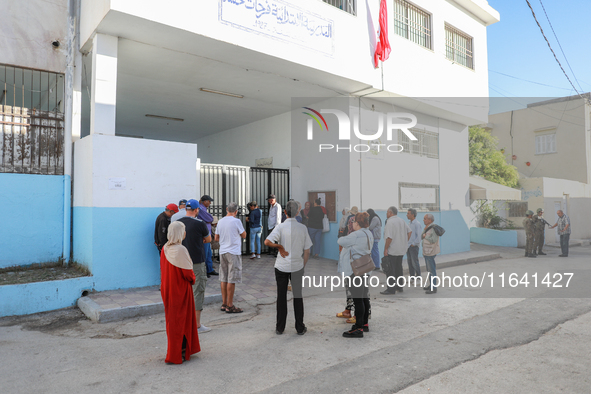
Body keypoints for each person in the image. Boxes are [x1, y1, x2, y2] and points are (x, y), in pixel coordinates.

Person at [264, 201, 312, 335]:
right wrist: (303, 265)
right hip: (297, 266)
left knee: (281, 296)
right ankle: (300, 327)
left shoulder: (280, 227)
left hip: (281, 266)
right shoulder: (302, 228)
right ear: (297, 212)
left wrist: (279, 246)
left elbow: (267, 242)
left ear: (285, 212)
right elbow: (307, 250)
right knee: (298, 296)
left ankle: (280, 327)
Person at [160, 221, 200, 364]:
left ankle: (175, 351)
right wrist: (194, 279)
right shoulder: (180, 250)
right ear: (178, 233)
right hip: (181, 290)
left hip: (168, 289)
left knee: (173, 321)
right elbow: (188, 274)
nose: (184, 233)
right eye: (183, 230)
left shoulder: (165, 248)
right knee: (182, 320)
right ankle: (179, 353)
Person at [177, 199, 212, 333]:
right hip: (196, 262)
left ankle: (184, 322)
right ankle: (197, 324)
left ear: (186, 209)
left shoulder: (178, 222)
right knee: (198, 291)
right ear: (197, 210)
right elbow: (208, 240)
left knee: (183, 292)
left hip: (181, 262)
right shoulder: (200, 223)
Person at [338, 212, 373, 338]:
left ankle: (358, 328)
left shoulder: (356, 235)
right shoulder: (368, 233)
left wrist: (348, 230)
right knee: (364, 297)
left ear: (357, 223)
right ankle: (364, 324)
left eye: (353, 222)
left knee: (358, 299)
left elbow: (340, 240)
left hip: (355, 271)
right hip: (365, 268)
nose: (352, 224)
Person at [216, 202, 247, 313]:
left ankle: (224, 303)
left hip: (222, 251)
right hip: (233, 252)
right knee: (231, 279)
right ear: (236, 211)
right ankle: (230, 305)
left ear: (226, 209)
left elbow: (216, 238)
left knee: (223, 278)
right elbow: (244, 235)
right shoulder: (236, 221)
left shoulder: (220, 221)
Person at [381, 207, 411, 295]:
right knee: (399, 268)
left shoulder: (390, 222)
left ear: (390, 213)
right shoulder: (402, 220)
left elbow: (389, 237)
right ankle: (399, 286)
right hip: (401, 249)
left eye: (387, 212)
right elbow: (410, 232)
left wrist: (386, 248)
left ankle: (391, 289)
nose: (386, 214)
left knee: (390, 269)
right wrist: (405, 242)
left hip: (393, 249)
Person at [197, 195, 218, 277]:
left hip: (207, 234)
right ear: (205, 201)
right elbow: (210, 219)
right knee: (205, 254)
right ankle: (204, 271)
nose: (210, 203)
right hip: (204, 235)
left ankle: (210, 269)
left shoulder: (203, 208)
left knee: (208, 253)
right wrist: (210, 220)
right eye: (209, 201)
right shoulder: (201, 208)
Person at [421, 214, 440, 294]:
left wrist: (425, 236)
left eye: (425, 219)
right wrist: (424, 233)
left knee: (432, 270)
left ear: (430, 220)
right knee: (429, 270)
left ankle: (433, 288)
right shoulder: (427, 228)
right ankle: (431, 285)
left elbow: (433, 239)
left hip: (430, 252)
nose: (423, 220)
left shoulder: (433, 228)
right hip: (426, 251)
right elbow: (422, 236)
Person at [406, 208, 422, 280]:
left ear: (413, 215)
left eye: (408, 213)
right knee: (409, 262)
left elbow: (419, 236)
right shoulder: (409, 223)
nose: (407, 215)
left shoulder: (417, 224)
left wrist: (413, 244)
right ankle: (412, 277)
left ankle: (418, 276)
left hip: (413, 246)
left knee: (414, 262)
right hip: (408, 246)